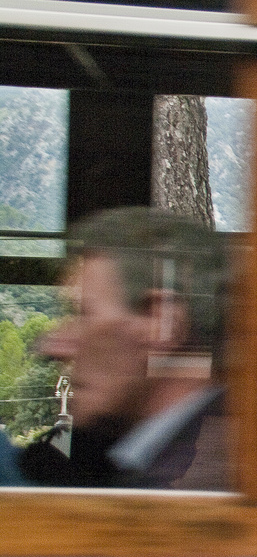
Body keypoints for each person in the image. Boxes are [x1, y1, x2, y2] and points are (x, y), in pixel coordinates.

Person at [19, 207, 231, 490]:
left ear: (160, 322)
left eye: (83, 314)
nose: (53, 346)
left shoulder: (201, 478)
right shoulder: (145, 462)